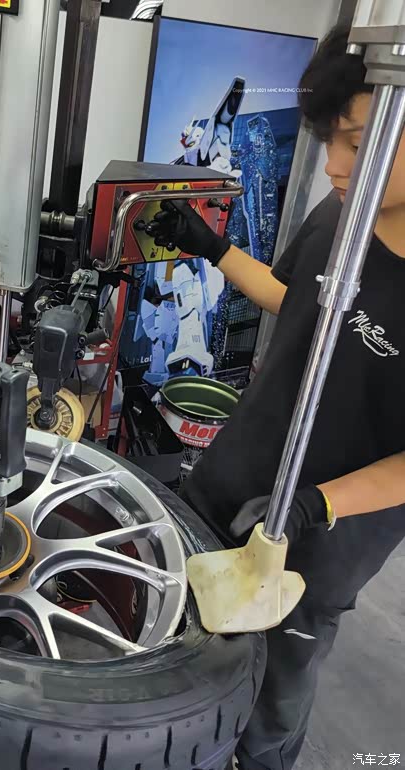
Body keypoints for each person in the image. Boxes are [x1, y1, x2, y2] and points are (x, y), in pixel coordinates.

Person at [155, 24, 405, 770]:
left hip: (321, 543)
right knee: (179, 645)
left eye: (355, 142)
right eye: (329, 140)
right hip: (232, 478)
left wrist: (312, 506)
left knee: (271, 702)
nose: (333, 165)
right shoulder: (339, 211)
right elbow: (292, 298)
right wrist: (211, 248)